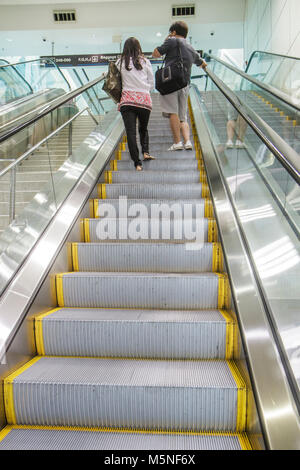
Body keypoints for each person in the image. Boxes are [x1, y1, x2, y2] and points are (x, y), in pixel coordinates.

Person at [153, 21, 207, 151]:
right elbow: (201, 63)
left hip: (171, 82)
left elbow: (156, 53)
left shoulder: (172, 41)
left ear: (174, 32)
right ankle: (187, 142)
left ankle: (177, 142)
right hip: (184, 84)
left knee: (173, 113)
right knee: (183, 116)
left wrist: (166, 39)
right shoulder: (190, 47)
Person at [117, 37, 155, 171]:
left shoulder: (120, 62)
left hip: (127, 101)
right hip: (144, 101)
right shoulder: (145, 61)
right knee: (143, 129)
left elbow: (114, 80)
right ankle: (146, 152)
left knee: (131, 133)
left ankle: (137, 163)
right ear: (139, 47)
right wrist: (143, 90)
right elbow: (152, 83)